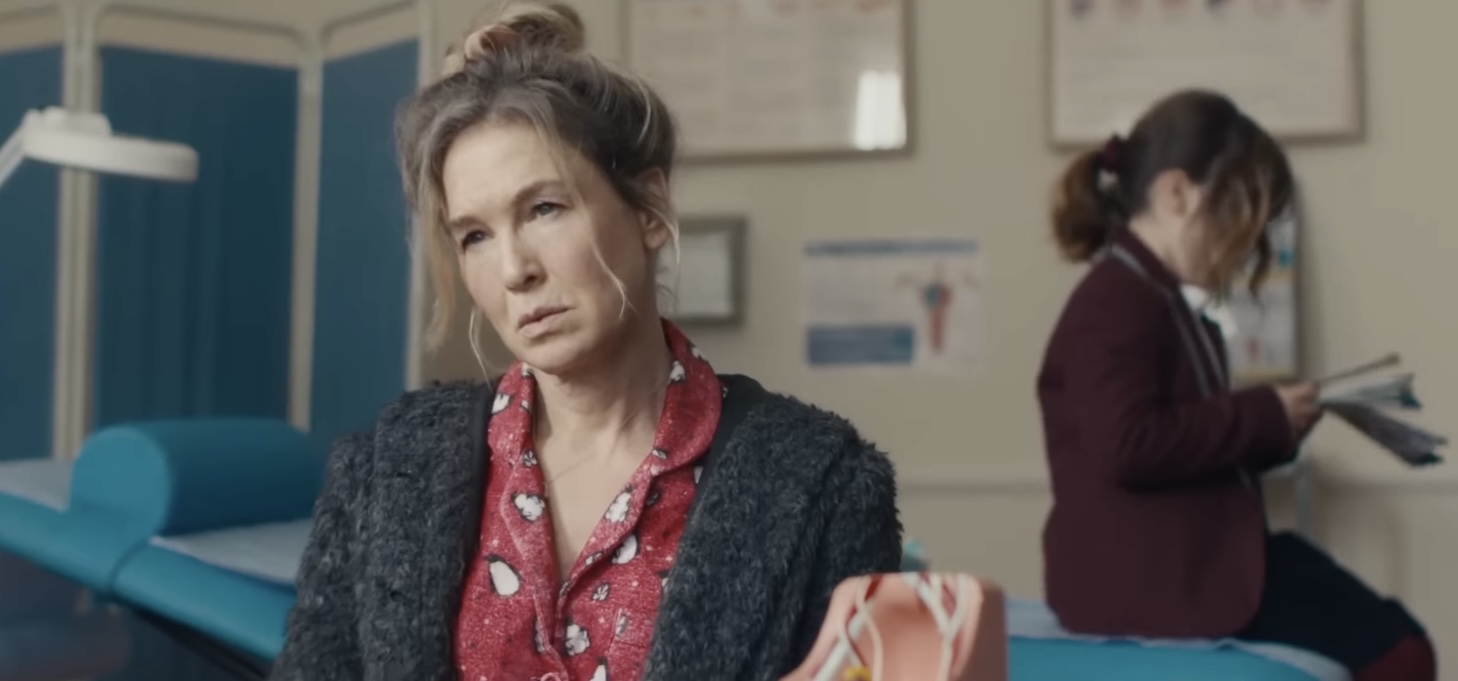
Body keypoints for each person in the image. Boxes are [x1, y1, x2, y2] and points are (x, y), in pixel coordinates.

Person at [268, 3, 902, 680]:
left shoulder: (818, 484)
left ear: (650, 209)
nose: (514, 269)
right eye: (475, 236)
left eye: (544, 208)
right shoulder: (388, 470)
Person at [1035, 89, 1436, 680]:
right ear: (1176, 194)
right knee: (1400, 653)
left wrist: (1280, 425)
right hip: (1160, 581)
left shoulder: (1163, 301)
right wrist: (1264, 414)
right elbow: (1128, 444)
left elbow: (1188, 440)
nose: (1247, 247)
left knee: (1396, 638)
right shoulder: (1114, 302)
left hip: (1201, 559)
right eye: (1237, 218)